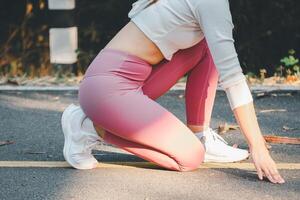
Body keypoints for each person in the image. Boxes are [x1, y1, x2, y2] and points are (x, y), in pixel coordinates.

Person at [61, 0, 285, 184]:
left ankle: (201, 135)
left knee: (208, 43)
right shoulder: (211, 3)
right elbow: (233, 79)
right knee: (190, 158)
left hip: (121, 79)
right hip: (108, 89)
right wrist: (257, 146)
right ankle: (88, 127)